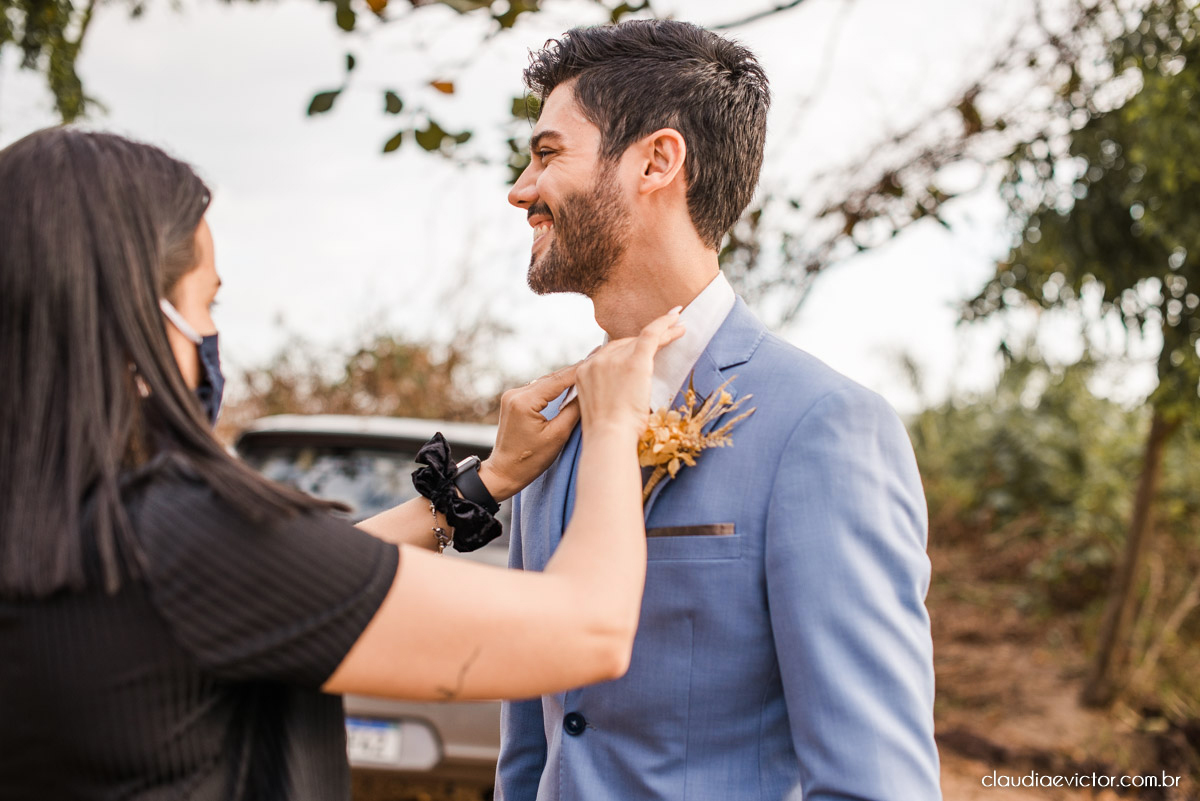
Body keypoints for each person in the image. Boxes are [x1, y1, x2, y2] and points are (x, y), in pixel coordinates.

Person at [0, 126, 685, 801]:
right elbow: (586, 629)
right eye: (205, 303)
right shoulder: (175, 533)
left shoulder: (63, 522)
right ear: (132, 319)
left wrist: (481, 485)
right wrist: (613, 424)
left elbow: (291, 580)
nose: (212, 335)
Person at [496, 20, 942, 801]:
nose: (521, 188)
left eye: (547, 153)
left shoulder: (823, 426)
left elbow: (876, 784)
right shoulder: (551, 427)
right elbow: (531, 753)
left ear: (657, 161)